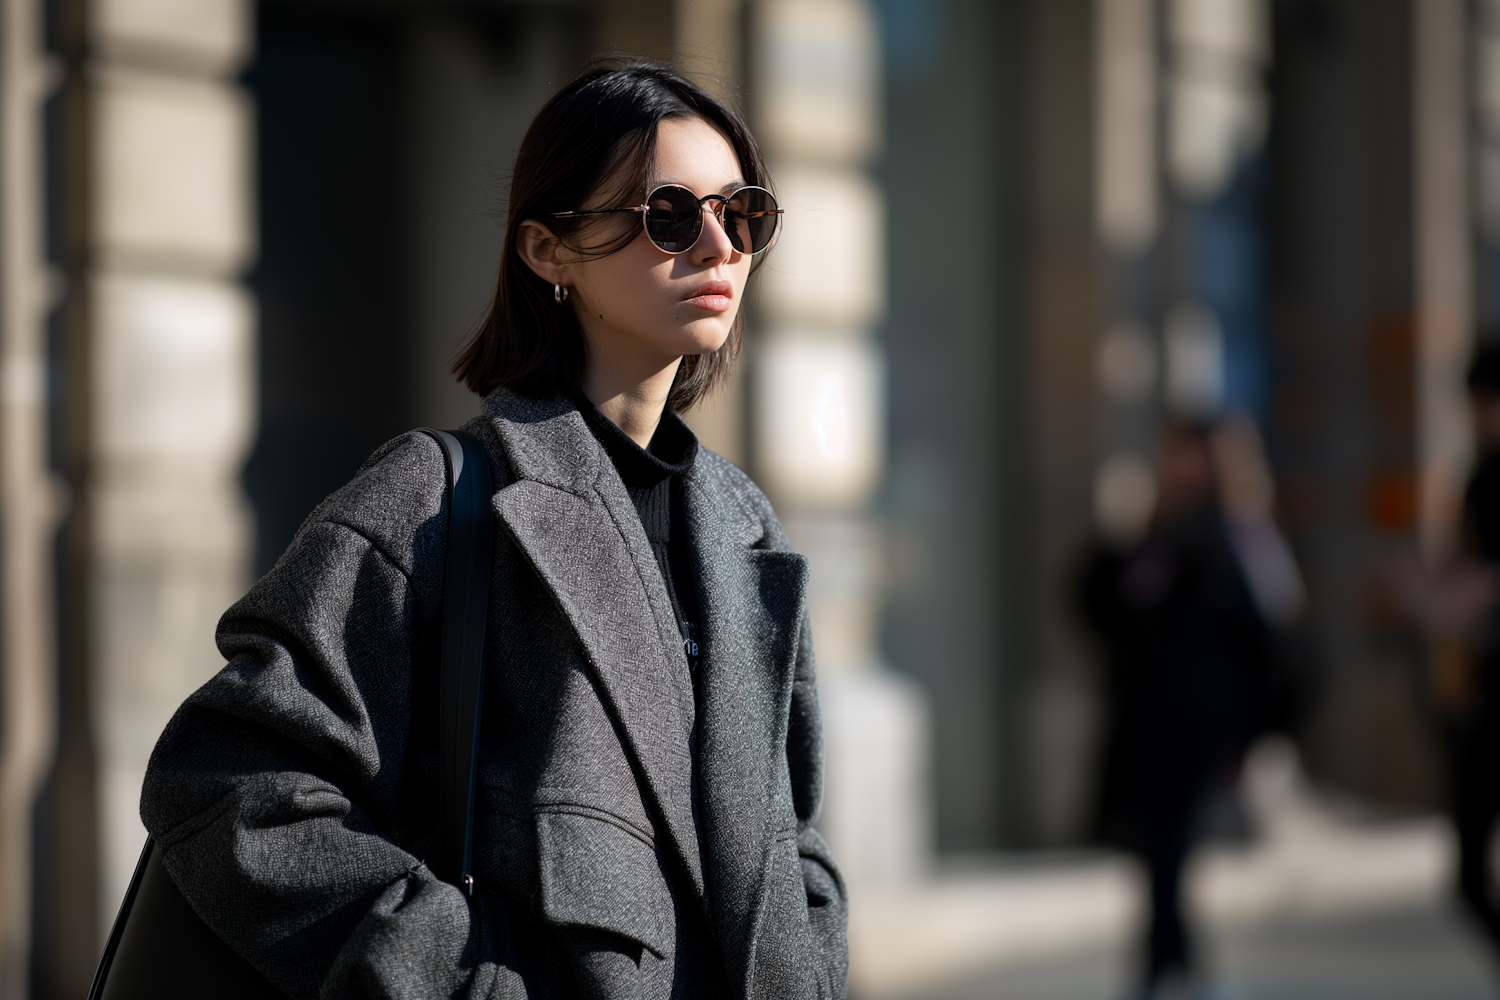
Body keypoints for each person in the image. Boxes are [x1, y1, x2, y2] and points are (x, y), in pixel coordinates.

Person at [139, 60, 847, 999]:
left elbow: (790, 825)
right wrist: (463, 981)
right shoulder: (436, 495)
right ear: (549, 251)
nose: (718, 245)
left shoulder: (740, 524)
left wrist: (813, 949)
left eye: (742, 212)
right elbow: (227, 779)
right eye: (669, 215)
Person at [1079, 417, 1301, 1000]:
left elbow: (1276, 639)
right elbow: (1101, 605)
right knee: (1159, 853)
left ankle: (1167, 973)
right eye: (1175, 454)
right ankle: (1178, 970)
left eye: (1194, 455)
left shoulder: (1241, 533)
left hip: (1204, 727)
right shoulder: (1153, 531)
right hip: (1149, 723)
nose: (1183, 467)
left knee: (1170, 852)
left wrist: (1259, 730)